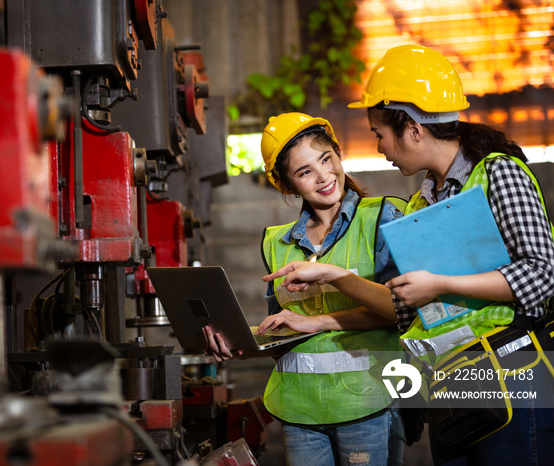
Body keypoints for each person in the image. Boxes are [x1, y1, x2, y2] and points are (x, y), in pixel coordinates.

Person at [273, 45, 554, 465]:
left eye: (379, 133)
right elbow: (403, 309)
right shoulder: (420, 207)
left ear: (413, 128)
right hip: (455, 384)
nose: (380, 145)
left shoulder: (498, 172)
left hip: (513, 375)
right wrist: (333, 275)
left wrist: (440, 284)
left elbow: (541, 273)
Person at [204, 112, 407, 466]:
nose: (324, 176)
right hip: (300, 413)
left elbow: (397, 312)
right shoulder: (275, 243)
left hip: (368, 402)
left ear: (338, 153)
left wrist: (321, 316)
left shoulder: (383, 218)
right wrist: (239, 342)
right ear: (287, 185)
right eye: (305, 172)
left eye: (325, 159)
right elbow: (283, 337)